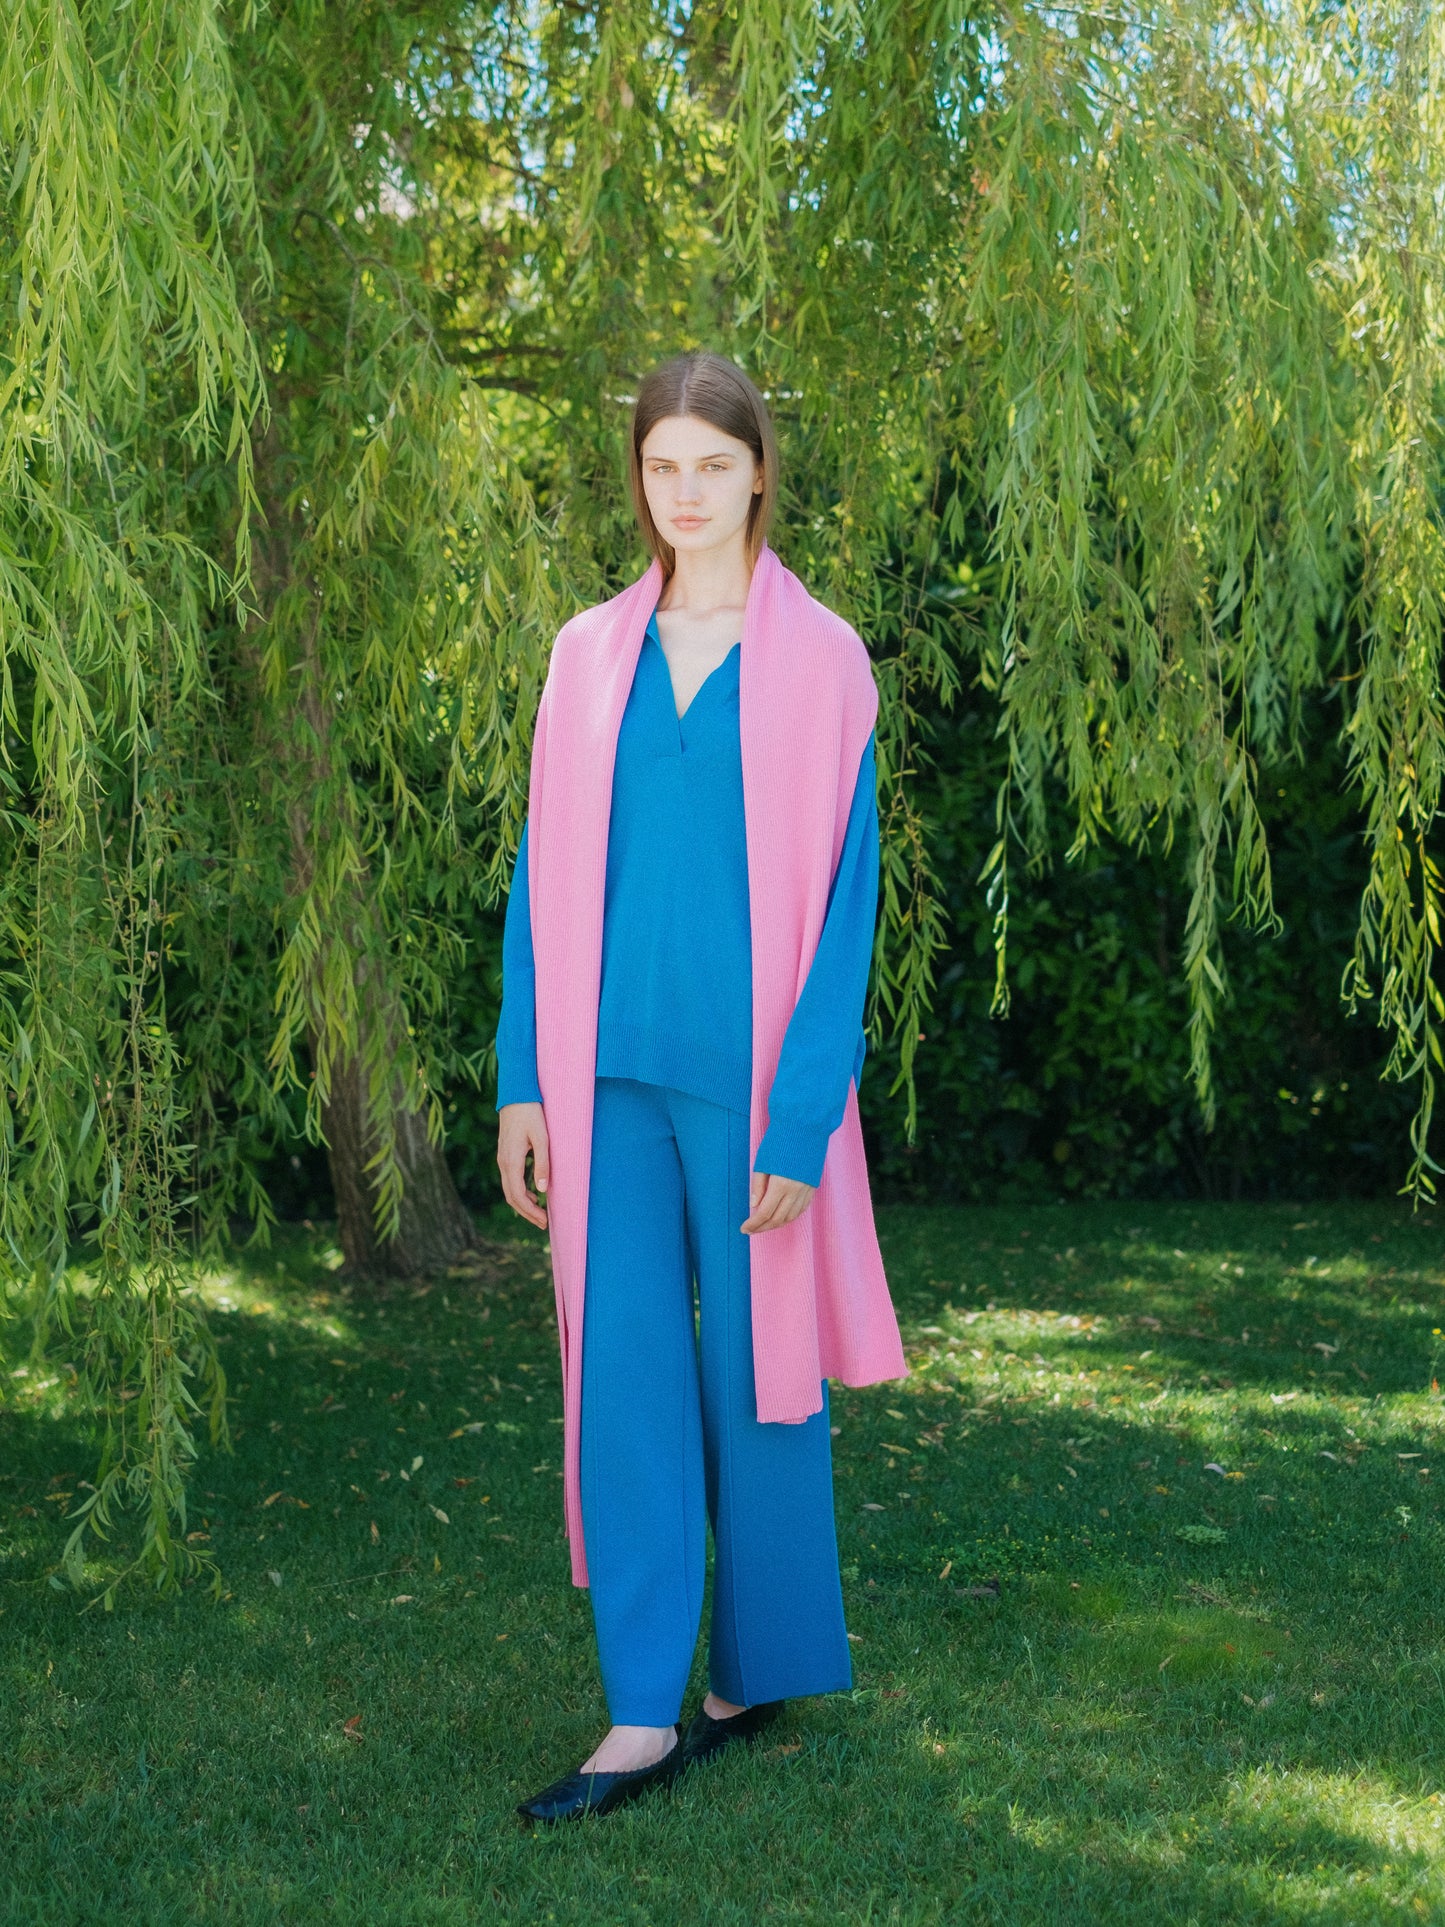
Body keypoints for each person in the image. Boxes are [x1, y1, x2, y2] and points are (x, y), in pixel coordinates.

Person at [494, 352, 906, 1826]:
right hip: (599, 1079)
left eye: (712, 466)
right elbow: (540, 874)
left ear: (756, 474)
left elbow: (847, 910)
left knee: (759, 1379)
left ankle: (757, 1669)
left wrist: (802, 1118)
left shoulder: (824, 661)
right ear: (640, 479)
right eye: (662, 466)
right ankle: (636, 1714)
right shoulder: (586, 655)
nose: (686, 492)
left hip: (748, 1090)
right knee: (621, 1386)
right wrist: (519, 1081)